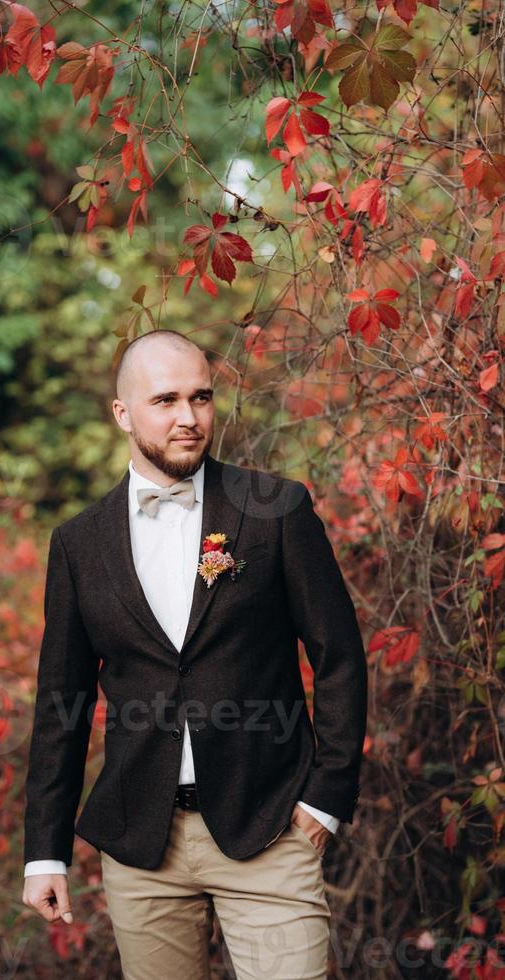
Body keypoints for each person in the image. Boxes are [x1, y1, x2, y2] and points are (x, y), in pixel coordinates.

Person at [22, 329, 368, 979]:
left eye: (201, 397)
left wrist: (325, 796)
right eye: (166, 400)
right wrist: (45, 852)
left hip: (268, 827)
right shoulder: (77, 543)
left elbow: (339, 655)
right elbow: (60, 703)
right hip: (138, 843)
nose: (189, 418)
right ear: (122, 414)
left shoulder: (276, 510)